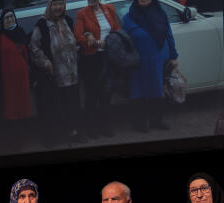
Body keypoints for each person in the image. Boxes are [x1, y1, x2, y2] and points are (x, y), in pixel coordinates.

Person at [30, 0, 85, 144]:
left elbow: (75, 40)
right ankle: (54, 137)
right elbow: (34, 47)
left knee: (73, 105)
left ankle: (75, 132)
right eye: (55, 4)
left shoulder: (68, 20)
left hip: (72, 72)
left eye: (61, 4)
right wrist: (45, 62)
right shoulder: (42, 24)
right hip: (53, 74)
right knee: (54, 108)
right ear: (50, 6)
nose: (58, 7)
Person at [122, 0, 178, 132]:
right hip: (138, 61)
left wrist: (173, 56)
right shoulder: (129, 17)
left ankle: (156, 121)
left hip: (158, 60)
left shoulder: (161, 14)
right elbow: (124, 39)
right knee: (138, 91)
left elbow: (168, 35)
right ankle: (139, 124)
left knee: (157, 89)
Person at [73, 0, 121, 138]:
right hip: (91, 59)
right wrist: (90, 40)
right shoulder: (82, 13)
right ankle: (92, 129)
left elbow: (117, 30)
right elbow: (78, 35)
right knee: (92, 95)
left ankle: (105, 126)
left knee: (106, 94)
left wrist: (109, 41)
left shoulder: (109, 8)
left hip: (108, 56)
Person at [0, 9, 33, 140]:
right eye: (6, 18)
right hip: (5, 83)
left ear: (15, 18)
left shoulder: (21, 32)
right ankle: (9, 141)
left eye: (11, 17)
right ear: (2, 21)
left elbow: (29, 56)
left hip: (22, 81)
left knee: (22, 110)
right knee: (7, 112)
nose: (9, 19)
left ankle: (21, 138)